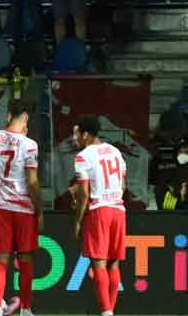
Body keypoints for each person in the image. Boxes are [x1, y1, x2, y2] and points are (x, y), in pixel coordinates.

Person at [0, 99, 43, 316]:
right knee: (25, 259)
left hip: (0, 205)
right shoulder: (30, 145)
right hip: (23, 208)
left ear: (9, 115)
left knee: (1, 259)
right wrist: (41, 210)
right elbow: (33, 181)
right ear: (26, 118)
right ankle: (26, 310)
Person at [72, 114, 127, 316]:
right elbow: (122, 185)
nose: (75, 138)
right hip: (118, 210)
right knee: (114, 263)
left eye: (77, 133)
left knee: (100, 263)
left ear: (86, 135)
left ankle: (105, 311)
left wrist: (77, 221)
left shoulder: (83, 156)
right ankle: (109, 311)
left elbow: (85, 193)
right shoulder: (115, 151)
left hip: (99, 211)